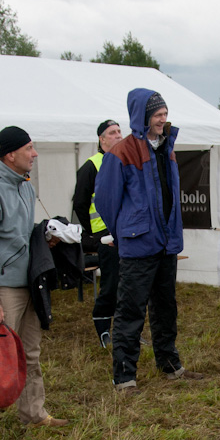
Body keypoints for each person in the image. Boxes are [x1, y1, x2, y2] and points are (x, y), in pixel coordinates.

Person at [94, 89, 204, 393]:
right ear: (142, 117)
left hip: (166, 244)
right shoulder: (121, 153)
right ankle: (124, 376)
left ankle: (169, 365)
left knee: (166, 308)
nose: (163, 119)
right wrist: (124, 231)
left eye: (165, 113)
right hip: (138, 246)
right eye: (157, 114)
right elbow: (105, 200)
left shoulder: (166, 148)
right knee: (131, 311)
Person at [0, 126, 68, 440]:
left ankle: (34, 414)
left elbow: (20, 237)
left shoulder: (25, 188)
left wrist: (47, 238)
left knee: (30, 354)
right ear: (10, 154)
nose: (34, 154)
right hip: (3, 289)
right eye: (29, 148)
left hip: (30, 285)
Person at [71, 119, 124, 347]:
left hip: (126, 234)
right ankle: (102, 326)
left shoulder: (126, 161)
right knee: (111, 284)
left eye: (120, 131)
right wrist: (92, 234)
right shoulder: (92, 165)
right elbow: (80, 203)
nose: (118, 136)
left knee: (127, 284)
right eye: (112, 133)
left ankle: (126, 329)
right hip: (104, 234)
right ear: (101, 139)